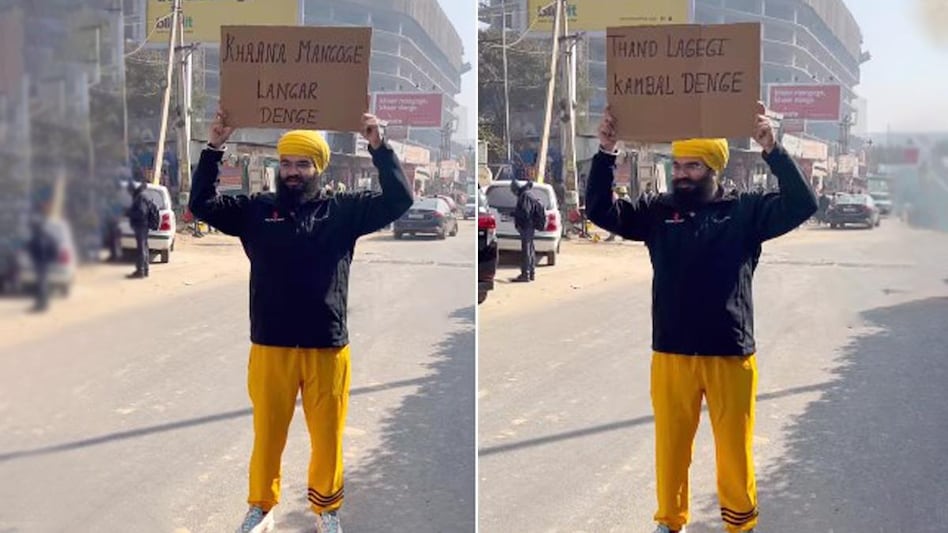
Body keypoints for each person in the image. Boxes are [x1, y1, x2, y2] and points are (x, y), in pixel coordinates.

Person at [586, 103, 817, 533]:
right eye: (677, 165)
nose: (681, 174)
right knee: (671, 449)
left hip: (730, 354)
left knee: (734, 452)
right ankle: (670, 523)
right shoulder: (657, 211)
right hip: (672, 353)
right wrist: (605, 153)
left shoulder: (746, 212)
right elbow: (601, 211)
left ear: (713, 167)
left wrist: (772, 149)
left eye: (692, 165)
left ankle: (740, 525)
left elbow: (803, 204)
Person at [189, 110, 412, 533]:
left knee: (327, 437)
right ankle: (261, 507)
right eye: (287, 163)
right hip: (271, 345)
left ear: (318, 168)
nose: (292, 172)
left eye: (302, 164)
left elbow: (399, 200)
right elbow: (201, 204)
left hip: (326, 346)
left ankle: (327, 511)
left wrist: (379, 147)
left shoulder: (344, 211)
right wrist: (214, 147)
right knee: (267, 435)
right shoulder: (256, 210)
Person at [27, 209, 57, 312]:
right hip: (40, 263)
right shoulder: (43, 237)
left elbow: (53, 250)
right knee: (41, 284)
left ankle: (42, 305)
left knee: (42, 284)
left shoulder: (42, 237)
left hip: (42, 263)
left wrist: (49, 259)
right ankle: (41, 304)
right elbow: (30, 248)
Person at [510, 179, 539, 282]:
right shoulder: (528, 194)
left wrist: (514, 214)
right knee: (530, 249)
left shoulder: (524, 196)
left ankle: (525, 274)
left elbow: (525, 213)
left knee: (526, 250)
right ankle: (531, 273)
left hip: (526, 226)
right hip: (529, 226)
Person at [125, 180, 151, 279]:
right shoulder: (141, 196)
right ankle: (145, 270)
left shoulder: (139, 197)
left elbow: (141, 213)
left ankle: (140, 271)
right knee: (144, 248)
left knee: (141, 249)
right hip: (143, 225)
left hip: (141, 225)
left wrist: (129, 213)